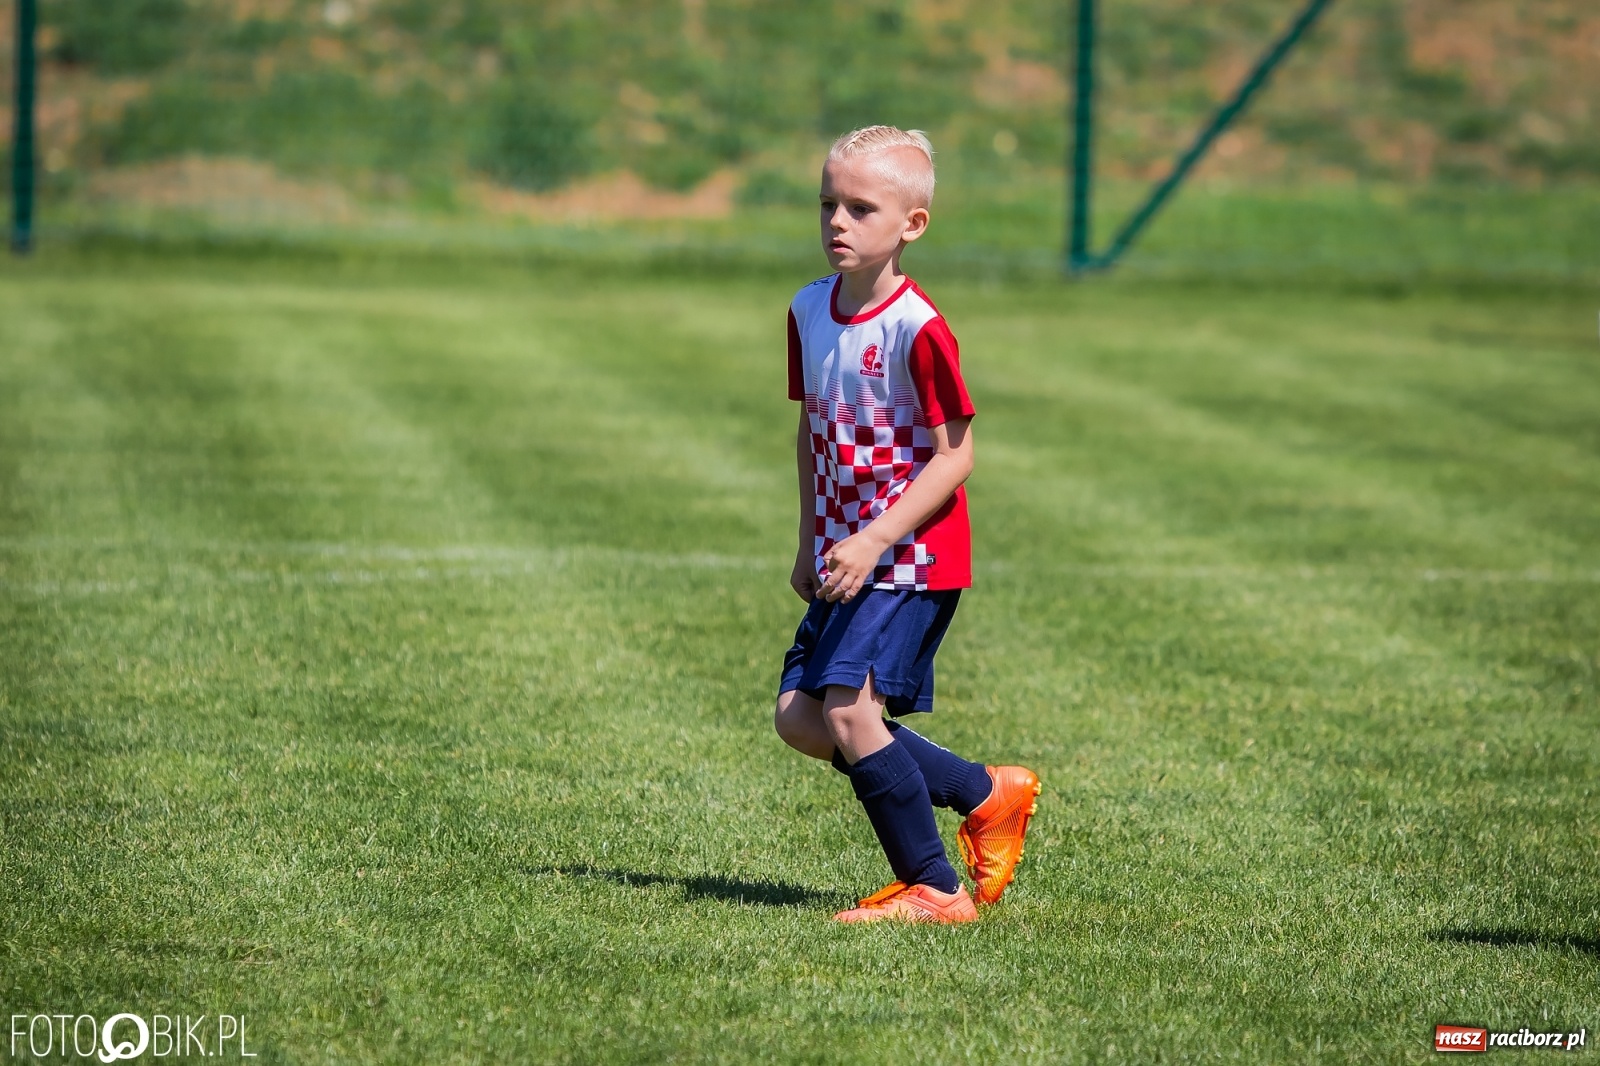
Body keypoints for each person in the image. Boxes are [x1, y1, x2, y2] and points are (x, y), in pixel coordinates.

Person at [773, 125, 1041, 924]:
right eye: (828, 204)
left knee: (851, 714)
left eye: (860, 208)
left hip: (909, 551)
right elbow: (809, 430)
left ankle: (934, 888)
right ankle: (983, 792)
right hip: (846, 549)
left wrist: (873, 537)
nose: (837, 223)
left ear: (911, 225)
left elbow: (955, 457)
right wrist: (810, 536)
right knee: (802, 719)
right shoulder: (806, 310)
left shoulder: (916, 326)